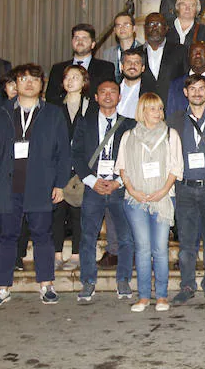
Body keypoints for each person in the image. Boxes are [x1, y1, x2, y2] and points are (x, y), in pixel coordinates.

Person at [0, 64, 70, 306]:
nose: (29, 83)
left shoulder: (53, 113)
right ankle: (2, 287)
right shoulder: (3, 111)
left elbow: (64, 152)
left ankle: (46, 285)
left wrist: (60, 184)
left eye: (35, 79)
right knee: (7, 236)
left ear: (42, 85)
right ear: (15, 84)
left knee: (43, 236)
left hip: (40, 185)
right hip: (8, 187)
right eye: (23, 79)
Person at [71, 79, 136, 302]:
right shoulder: (84, 123)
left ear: (119, 97)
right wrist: (90, 180)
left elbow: (134, 157)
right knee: (88, 237)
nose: (108, 96)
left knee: (126, 237)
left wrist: (119, 180)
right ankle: (88, 282)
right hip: (93, 188)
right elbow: (76, 154)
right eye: (103, 92)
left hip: (119, 188)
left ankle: (123, 280)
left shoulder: (130, 124)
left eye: (113, 92)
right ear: (96, 97)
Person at [117, 92, 183, 312]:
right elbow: (122, 167)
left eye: (160, 109)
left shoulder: (170, 135)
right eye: (153, 108)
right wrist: (133, 190)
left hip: (163, 198)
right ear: (143, 110)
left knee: (160, 249)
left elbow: (176, 167)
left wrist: (163, 191)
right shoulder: (129, 136)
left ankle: (162, 296)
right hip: (135, 200)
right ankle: (144, 296)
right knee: (143, 248)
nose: (158, 113)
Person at [167, 75, 205, 304]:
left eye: (201, 88)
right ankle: (187, 285)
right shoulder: (174, 120)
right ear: (185, 93)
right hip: (185, 190)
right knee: (186, 245)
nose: (197, 93)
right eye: (193, 89)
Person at [52, 64, 92, 272]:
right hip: (59, 165)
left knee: (79, 213)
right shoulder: (54, 107)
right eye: (67, 77)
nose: (70, 80)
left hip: (82, 167)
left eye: (76, 77)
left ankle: (76, 254)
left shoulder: (91, 107)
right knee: (58, 212)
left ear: (84, 82)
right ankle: (57, 253)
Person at [45, 23, 116, 104]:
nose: (80, 41)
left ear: (93, 44)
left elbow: (107, 97)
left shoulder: (105, 68)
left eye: (84, 38)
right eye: (76, 38)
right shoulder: (57, 69)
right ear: (72, 42)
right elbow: (50, 98)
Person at [140, 12, 188, 104]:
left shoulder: (180, 51)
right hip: (145, 110)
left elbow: (187, 80)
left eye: (158, 24)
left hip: (174, 110)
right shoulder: (136, 53)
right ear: (145, 28)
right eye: (151, 24)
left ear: (166, 28)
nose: (154, 27)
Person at [101, 13, 143, 82]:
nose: (122, 28)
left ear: (134, 28)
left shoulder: (144, 50)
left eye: (126, 25)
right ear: (114, 30)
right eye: (118, 25)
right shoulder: (107, 53)